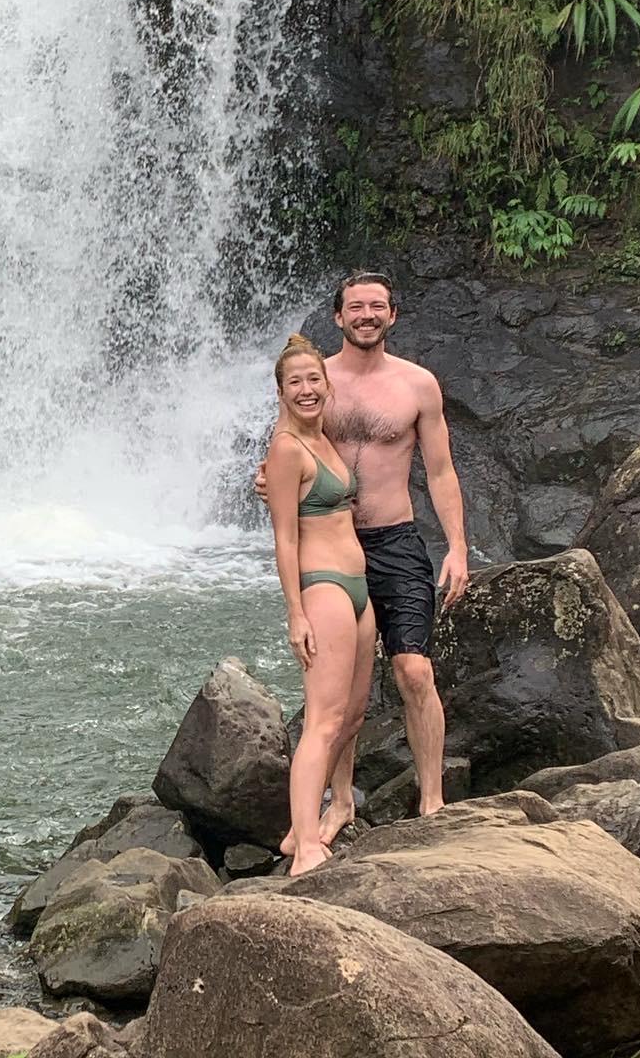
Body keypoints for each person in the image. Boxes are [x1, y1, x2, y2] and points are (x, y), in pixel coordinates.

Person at [258, 272, 469, 841]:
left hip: (396, 540)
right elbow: (284, 453)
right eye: (356, 307)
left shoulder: (417, 385)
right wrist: (267, 484)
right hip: (332, 550)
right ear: (339, 316)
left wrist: (457, 546)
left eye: (377, 306)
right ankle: (340, 802)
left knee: (413, 669)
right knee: (342, 693)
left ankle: (432, 801)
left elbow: (441, 471)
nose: (367, 315)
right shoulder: (316, 381)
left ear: (392, 315)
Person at [265, 331, 377, 875]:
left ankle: (300, 828)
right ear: (281, 392)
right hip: (324, 587)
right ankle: (306, 848)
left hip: (358, 589)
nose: (306, 390)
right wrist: (296, 613)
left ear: (327, 384)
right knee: (323, 720)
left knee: (351, 716)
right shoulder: (287, 449)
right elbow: (285, 538)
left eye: (314, 379)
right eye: (295, 383)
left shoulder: (324, 437)